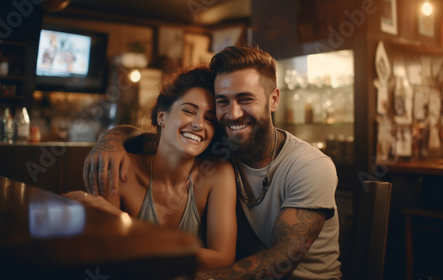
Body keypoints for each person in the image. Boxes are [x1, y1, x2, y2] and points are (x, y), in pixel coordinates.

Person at [83, 45, 342, 279]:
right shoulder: (225, 149)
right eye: (223, 102)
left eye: (245, 99)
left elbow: (282, 260)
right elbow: (163, 141)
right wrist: (112, 138)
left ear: (273, 100)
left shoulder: (310, 166)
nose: (233, 113)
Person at [71, 66, 237, 270]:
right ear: (162, 117)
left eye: (209, 119)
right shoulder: (120, 167)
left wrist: (122, 223)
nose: (198, 124)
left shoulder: (218, 175)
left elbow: (222, 258)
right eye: (188, 111)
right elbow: (109, 254)